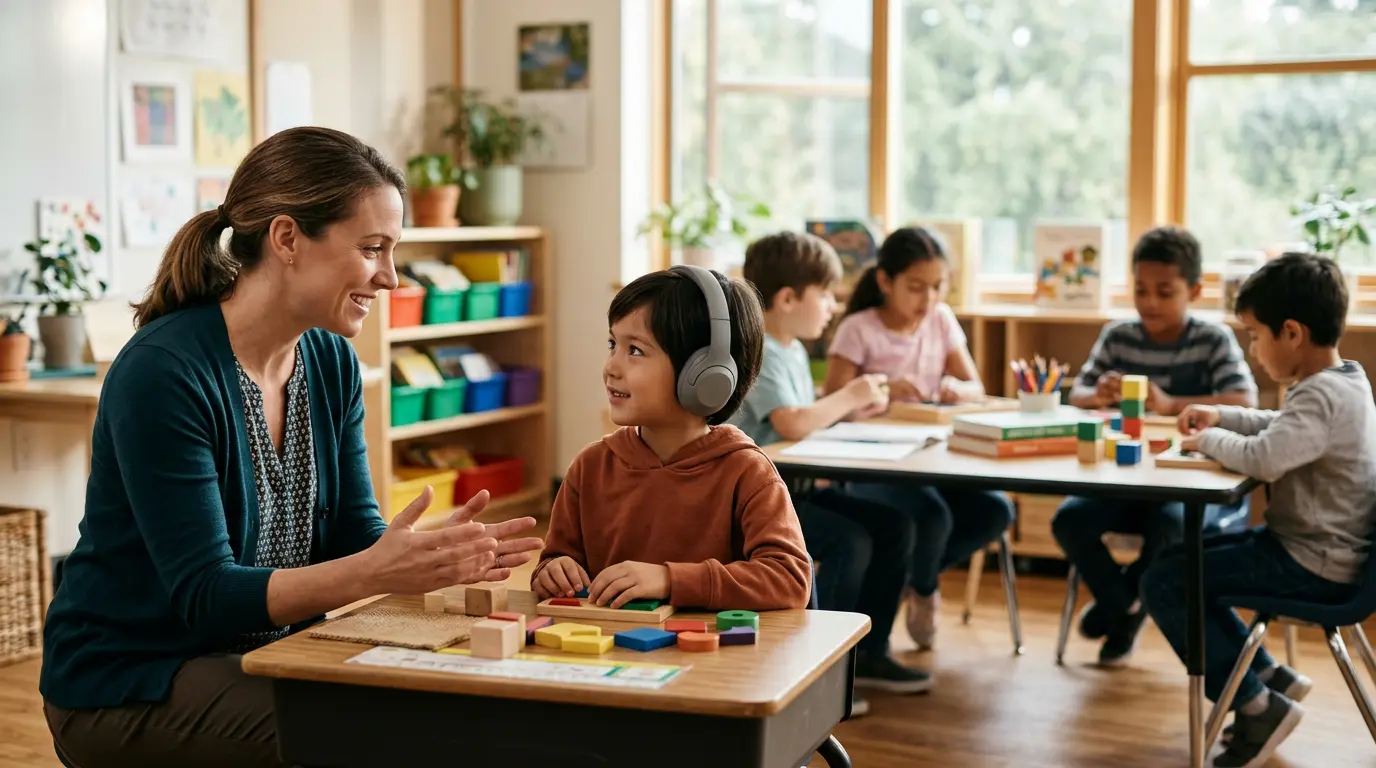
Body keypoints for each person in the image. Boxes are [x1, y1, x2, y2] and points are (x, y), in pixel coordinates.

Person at [39, 127, 544, 768]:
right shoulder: (164, 372)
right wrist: (379, 570)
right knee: (385, 731)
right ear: (286, 240)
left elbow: (354, 535)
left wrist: (426, 555)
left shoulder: (331, 361)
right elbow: (206, 596)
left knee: (456, 700)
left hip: (264, 656)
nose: (390, 278)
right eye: (372, 249)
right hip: (129, 680)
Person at [1142, 251, 1376, 768]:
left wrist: (1206, 440)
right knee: (1179, 564)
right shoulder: (1343, 382)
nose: (1252, 349)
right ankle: (1269, 676)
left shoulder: (1320, 397)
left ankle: (1258, 706)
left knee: (1165, 581)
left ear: (1291, 333)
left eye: (1254, 335)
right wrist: (1222, 415)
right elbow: (1280, 427)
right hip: (1314, 552)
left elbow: (1265, 458)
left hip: (1311, 564)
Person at [532, 266, 812, 614]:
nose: (611, 367)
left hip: (709, 648)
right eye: (612, 344)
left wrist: (670, 580)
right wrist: (553, 570)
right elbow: (557, 560)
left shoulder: (746, 472)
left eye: (635, 350)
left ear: (705, 374)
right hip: (610, 644)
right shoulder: (591, 467)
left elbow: (789, 579)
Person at [730, 231, 929, 697]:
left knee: (895, 526)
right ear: (787, 299)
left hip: (795, 491)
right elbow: (793, 422)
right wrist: (850, 395)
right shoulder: (759, 350)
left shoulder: (793, 350)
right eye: (824, 295)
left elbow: (804, 419)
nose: (833, 306)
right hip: (758, 505)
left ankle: (869, 654)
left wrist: (852, 408)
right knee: (849, 541)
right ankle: (823, 672)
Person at [1053, 225, 1259, 667]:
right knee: (1069, 520)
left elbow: (1245, 402)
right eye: (1140, 290)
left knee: (1170, 525)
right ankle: (1124, 603)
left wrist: (1169, 404)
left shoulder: (1212, 339)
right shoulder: (1119, 335)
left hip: (1187, 486)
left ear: (1195, 291)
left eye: (1165, 292)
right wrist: (1099, 395)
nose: (1150, 302)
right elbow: (1077, 394)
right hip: (1124, 478)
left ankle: (1120, 609)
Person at [822, 226, 1014, 650]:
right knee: (931, 517)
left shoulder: (940, 320)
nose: (928, 299)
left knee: (996, 510)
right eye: (915, 287)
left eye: (937, 286)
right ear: (885, 281)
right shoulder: (858, 329)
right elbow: (833, 405)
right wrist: (884, 389)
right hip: (874, 465)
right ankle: (925, 590)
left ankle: (910, 577)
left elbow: (976, 388)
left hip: (934, 457)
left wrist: (956, 389)